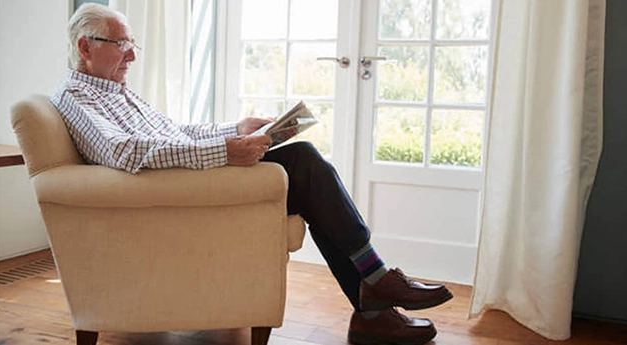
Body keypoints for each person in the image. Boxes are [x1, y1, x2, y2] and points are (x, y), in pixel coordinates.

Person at [52, 4, 452, 345]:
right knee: (305, 164)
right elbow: (123, 151)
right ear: (85, 47)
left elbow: (175, 133)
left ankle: (372, 309)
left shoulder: (116, 91)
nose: (132, 57)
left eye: (131, 45)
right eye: (121, 45)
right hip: (179, 197)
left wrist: (235, 129)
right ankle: (375, 284)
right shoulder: (75, 98)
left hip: (187, 186)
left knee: (308, 177)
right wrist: (226, 152)